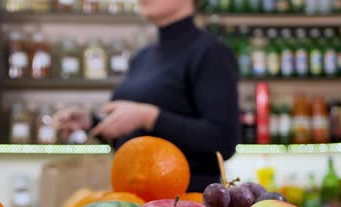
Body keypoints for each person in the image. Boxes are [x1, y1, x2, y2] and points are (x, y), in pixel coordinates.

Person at [56, 0, 240, 192]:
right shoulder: (144, 56)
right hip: (133, 199)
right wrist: (91, 123)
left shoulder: (211, 53)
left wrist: (149, 117)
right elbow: (135, 137)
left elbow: (223, 140)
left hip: (184, 205)